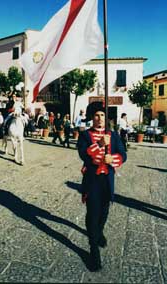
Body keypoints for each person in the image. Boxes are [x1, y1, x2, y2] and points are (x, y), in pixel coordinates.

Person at [77, 102, 127, 271]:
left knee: (105, 211)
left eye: (103, 115)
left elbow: (123, 154)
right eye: (97, 115)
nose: (100, 119)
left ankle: (98, 233)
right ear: (92, 117)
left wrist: (112, 159)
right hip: (92, 181)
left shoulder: (113, 135)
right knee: (92, 213)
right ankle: (93, 249)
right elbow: (83, 154)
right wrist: (99, 145)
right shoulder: (85, 135)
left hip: (108, 180)